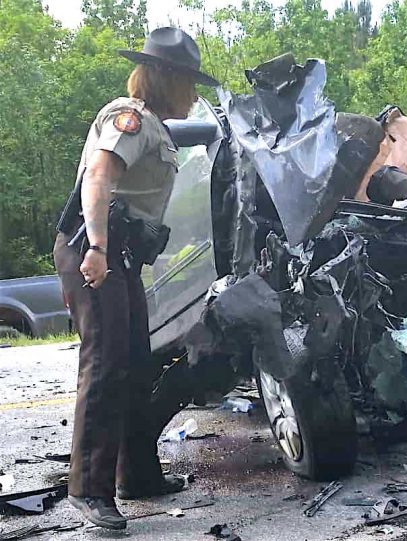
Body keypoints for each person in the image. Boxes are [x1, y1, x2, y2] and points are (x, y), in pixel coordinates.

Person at [53, 27, 219, 530]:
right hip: (95, 248)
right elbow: (100, 177)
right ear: (167, 78)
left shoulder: (157, 128)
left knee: (136, 365)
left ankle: (137, 476)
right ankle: (88, 490)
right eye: (190, 82)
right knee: (104, 365)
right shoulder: (130, 117)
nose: (195, 93)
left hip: (118, 254)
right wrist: (99, 249)